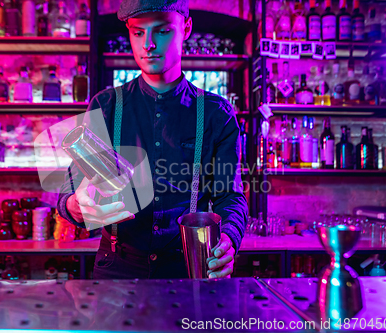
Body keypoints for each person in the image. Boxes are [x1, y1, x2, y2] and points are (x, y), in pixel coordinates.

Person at [56, 0, 248, 279]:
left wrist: (229, 238)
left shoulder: (217, 114)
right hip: (116, 270)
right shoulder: (106, 106)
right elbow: (69, 191)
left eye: (163, 30)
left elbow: (230, 196)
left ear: (186, 28)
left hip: (189, 268)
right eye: (137, 32)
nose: (148, 44)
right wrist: (77, 204)